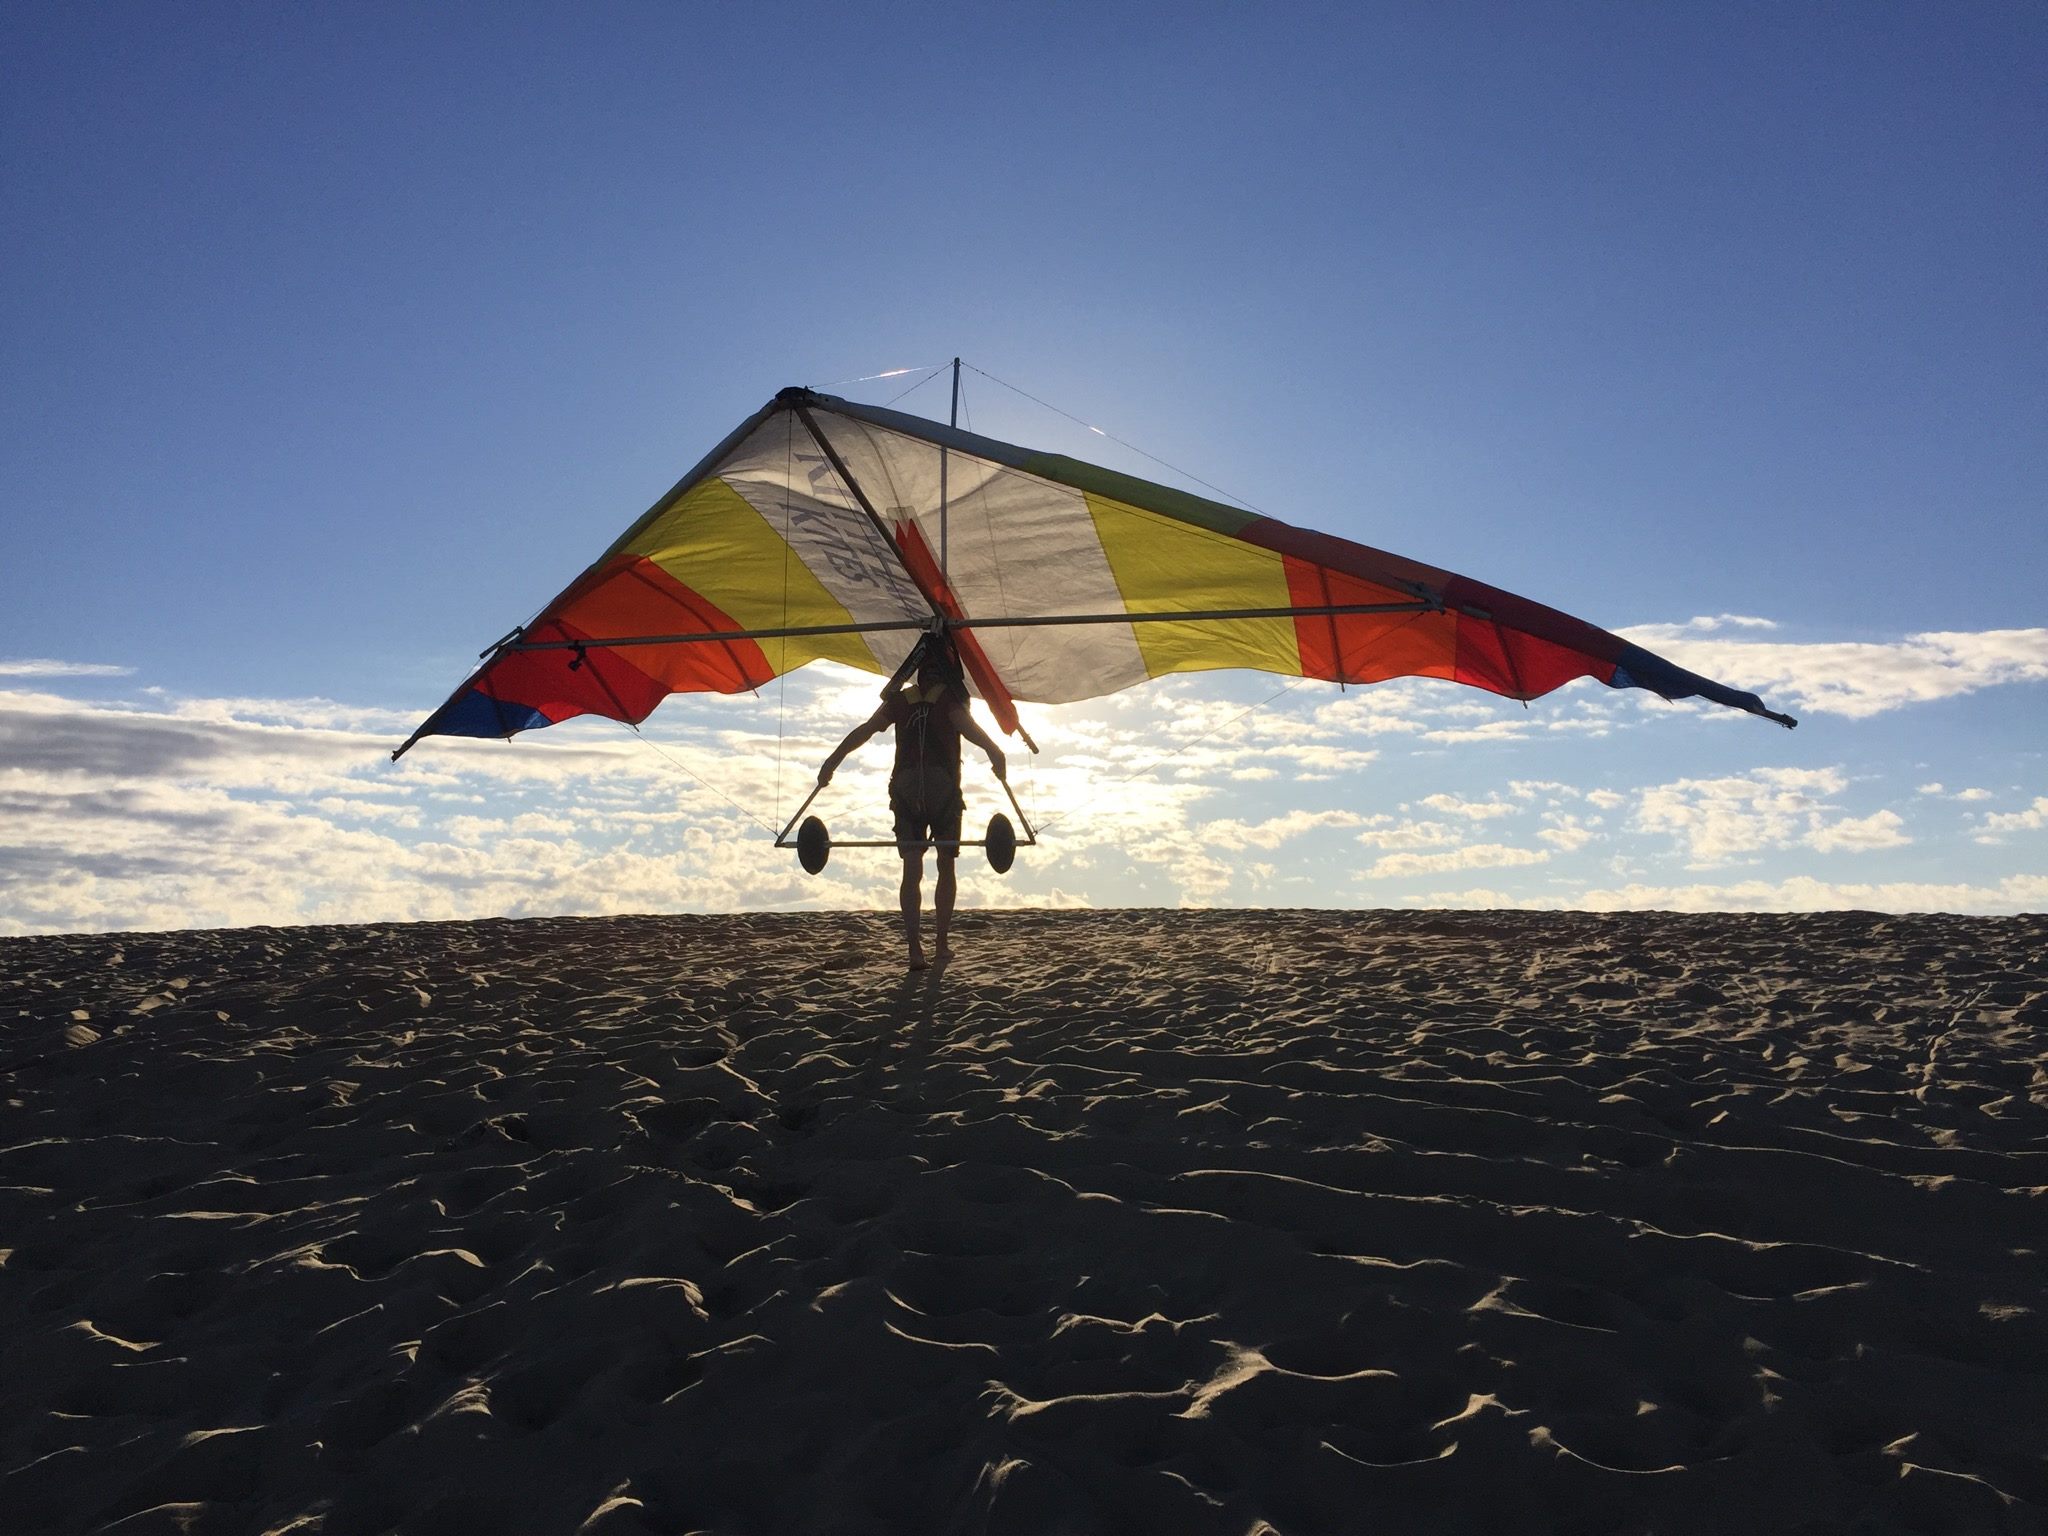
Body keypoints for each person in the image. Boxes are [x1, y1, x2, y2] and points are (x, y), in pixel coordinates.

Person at [817, 640, 1006, 970]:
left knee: (912, 867)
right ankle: (941, 945)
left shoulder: (901, 701)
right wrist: (994, 751)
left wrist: (834, 759)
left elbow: (865, 730)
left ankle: (915, 950)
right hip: (940, 786)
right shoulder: (948, 699)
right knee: (945, 863)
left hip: (905, 787)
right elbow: (968, 728)